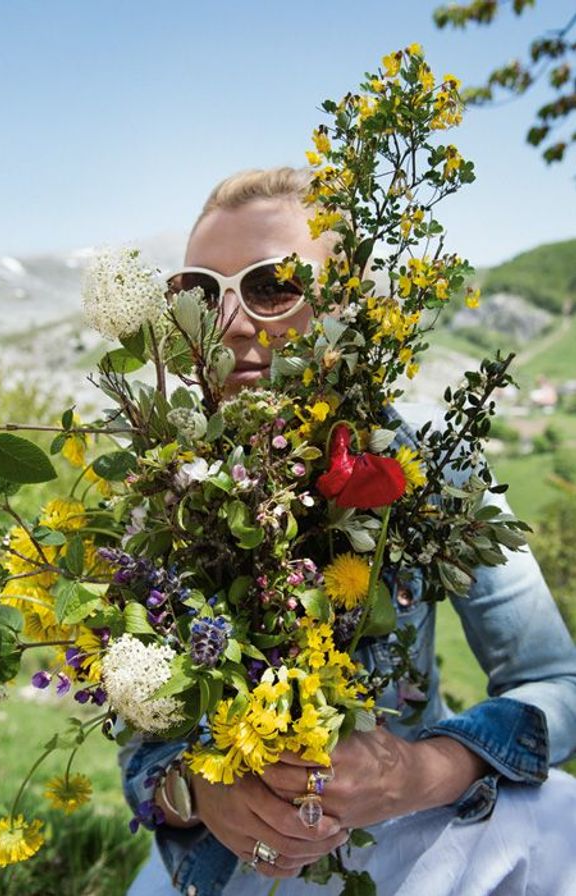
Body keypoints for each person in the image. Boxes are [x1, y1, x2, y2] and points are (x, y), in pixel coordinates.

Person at [119, 168, 576, 896]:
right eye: (201, 294)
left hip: (417, 831)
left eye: (273, 286)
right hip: (228, 861)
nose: (229, 323)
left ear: (352, 308)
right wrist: (200, 792)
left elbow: (556, 682)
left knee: (563, 820)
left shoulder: (434, 465)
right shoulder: (158, 492)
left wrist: (422, 770)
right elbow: (139, 744)